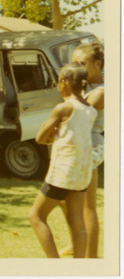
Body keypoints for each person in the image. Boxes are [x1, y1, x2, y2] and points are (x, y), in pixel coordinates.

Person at [29, 63, 97, 258]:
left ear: (65, 82)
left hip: (63, 173)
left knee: (36, 216)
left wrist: (47, 129)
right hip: (81, 173)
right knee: (77, 221)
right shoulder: (90, 110)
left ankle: (55, 266)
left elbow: (40, 138)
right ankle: (79, 268)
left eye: (58, 80)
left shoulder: (63, 108)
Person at [60, 42, 105, 258]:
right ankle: (77, 240)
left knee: (88, 207)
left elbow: (78, 112)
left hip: (90, 147)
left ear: (97, 64)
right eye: (74, 63)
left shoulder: (100, 92)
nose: (77, 68)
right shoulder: (86, 87)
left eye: (82, 63)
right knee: (62, 199)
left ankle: (92, 258)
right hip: (79, 147)